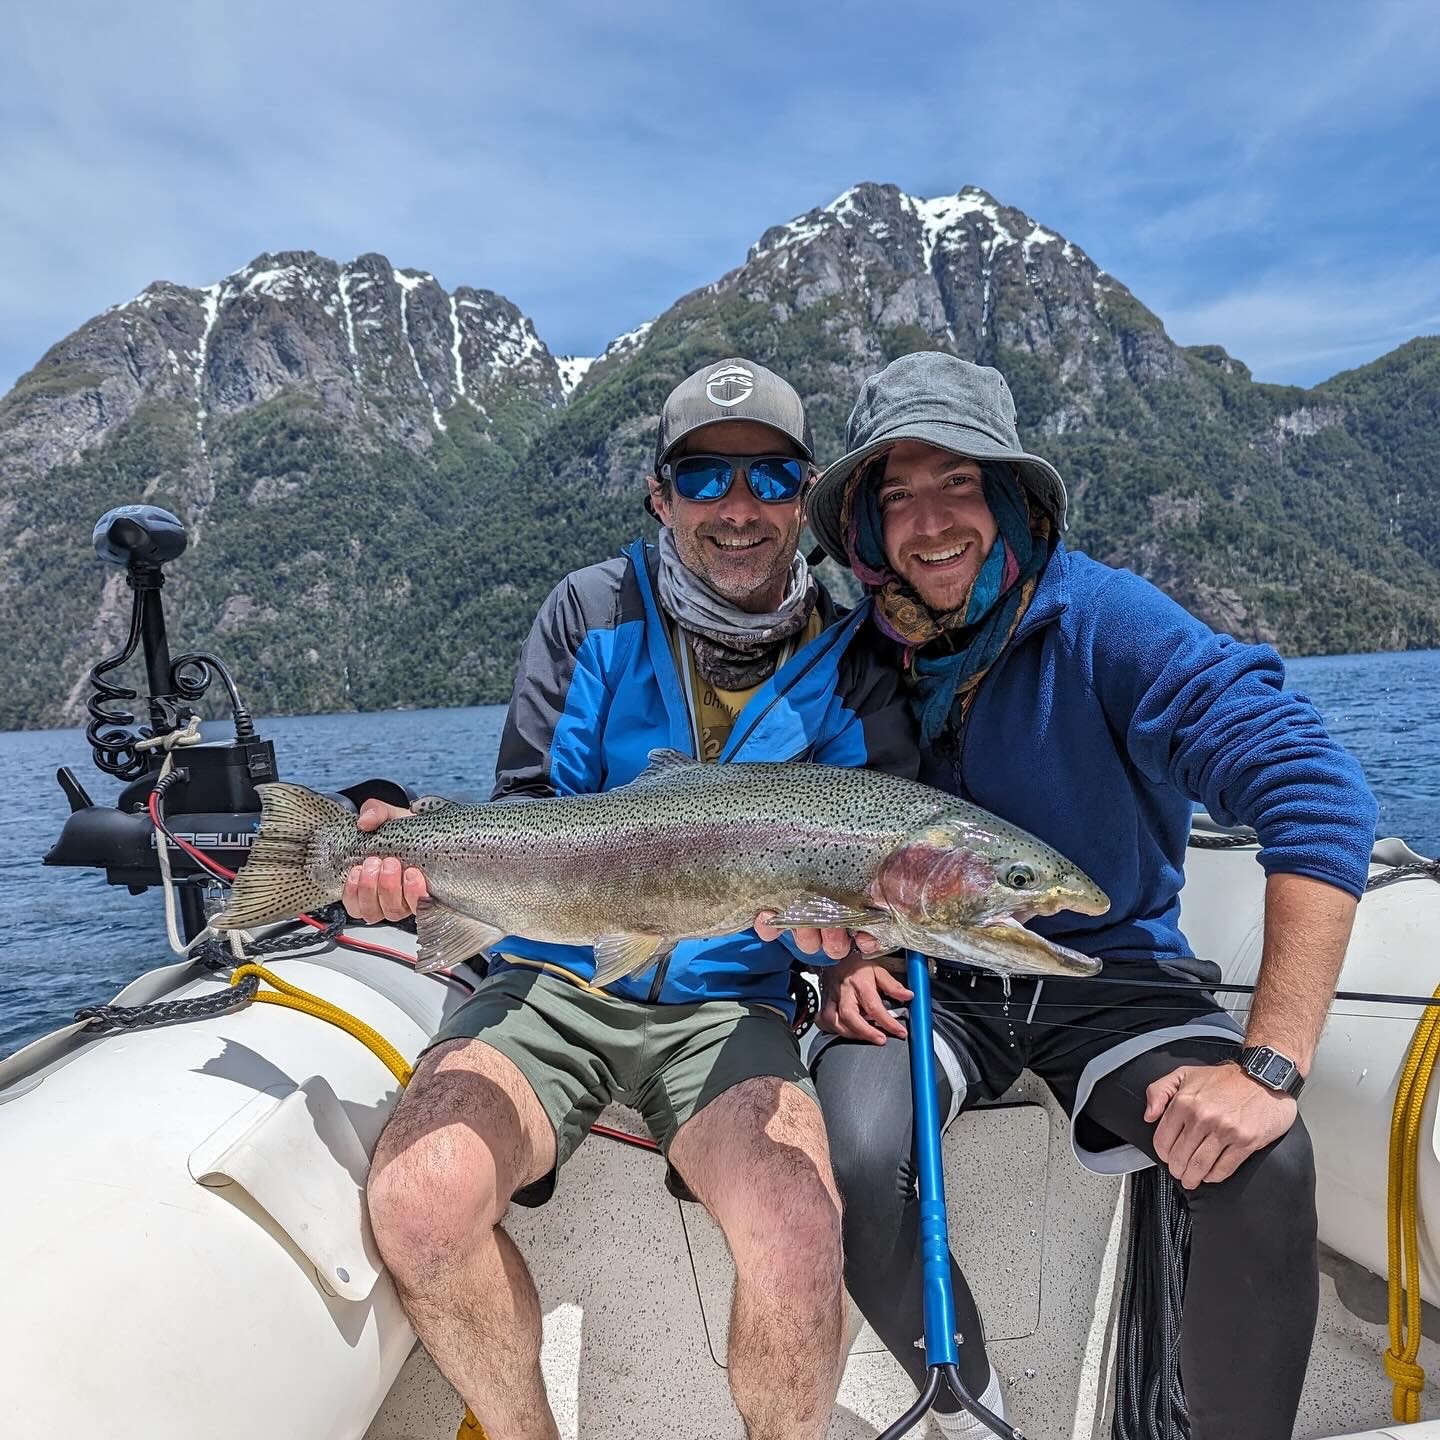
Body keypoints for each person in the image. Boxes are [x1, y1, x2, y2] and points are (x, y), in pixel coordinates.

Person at [784, 351, 1377, 1440]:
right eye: (897, 494)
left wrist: (1271, 1063)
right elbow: (801, 850)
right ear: (866, 532)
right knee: (854, 1158)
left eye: (959, 482)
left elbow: (1318, 794)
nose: (931, 522)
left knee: (1262, 1158)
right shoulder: (844, 659)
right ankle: (977, 1419)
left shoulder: (1109, 621)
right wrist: (846, 958)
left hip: (1108, 973)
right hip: (929, 981)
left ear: (1012, 495)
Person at [348, 358, 918, 1440]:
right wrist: (410, 864)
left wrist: (856, 958)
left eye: (771, 479)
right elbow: (522, 807)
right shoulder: (588, 613)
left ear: (807, 499)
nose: (738, 509)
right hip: (548, 982)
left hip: (728, 1007)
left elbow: (869, 865)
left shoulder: (856, 659)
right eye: (705, 479)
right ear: (660, 496)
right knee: (419, 1203)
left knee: (799, 1233)